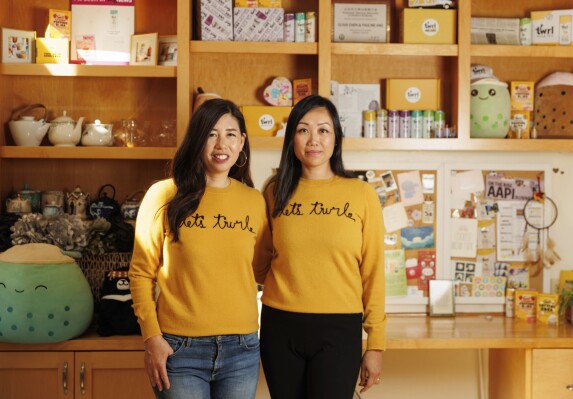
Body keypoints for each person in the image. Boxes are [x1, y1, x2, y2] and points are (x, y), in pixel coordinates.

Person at [129, 98, 272, 399]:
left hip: (242, 349)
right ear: (197, 139)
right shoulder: (164, 195)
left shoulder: (254, 200)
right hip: (179, 349)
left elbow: (262, 270)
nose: (222, 144)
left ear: (242, 141)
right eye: (211, 134)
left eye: (231, 134)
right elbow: (141, 273)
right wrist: (151, 337)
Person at [259, 95, 387, 398]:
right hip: (280, 325)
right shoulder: (274, 192)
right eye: (303, 130)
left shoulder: (361, 194)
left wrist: (376, 344)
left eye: (323, 130)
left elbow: (373, 272)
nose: (313, 139)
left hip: (339, 328)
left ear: (336, 139)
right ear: (291, 139)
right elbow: (258, 262)